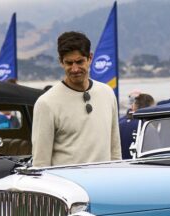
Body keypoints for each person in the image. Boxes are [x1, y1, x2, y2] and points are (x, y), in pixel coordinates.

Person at [32, 31, 121, 167]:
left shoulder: (107, 93)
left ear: (90, 58)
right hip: (67, 186)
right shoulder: (46, 103)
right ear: (61, 62)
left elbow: (115, 150)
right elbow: (40, 162)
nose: (74, 69)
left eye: (80, 62)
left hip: (105, 183)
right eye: (69, 63)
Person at [119, 93, 154, 160]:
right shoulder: (147, 127)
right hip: (140, 166)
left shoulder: (119, 123)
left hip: (120, 165)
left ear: (134, 106)